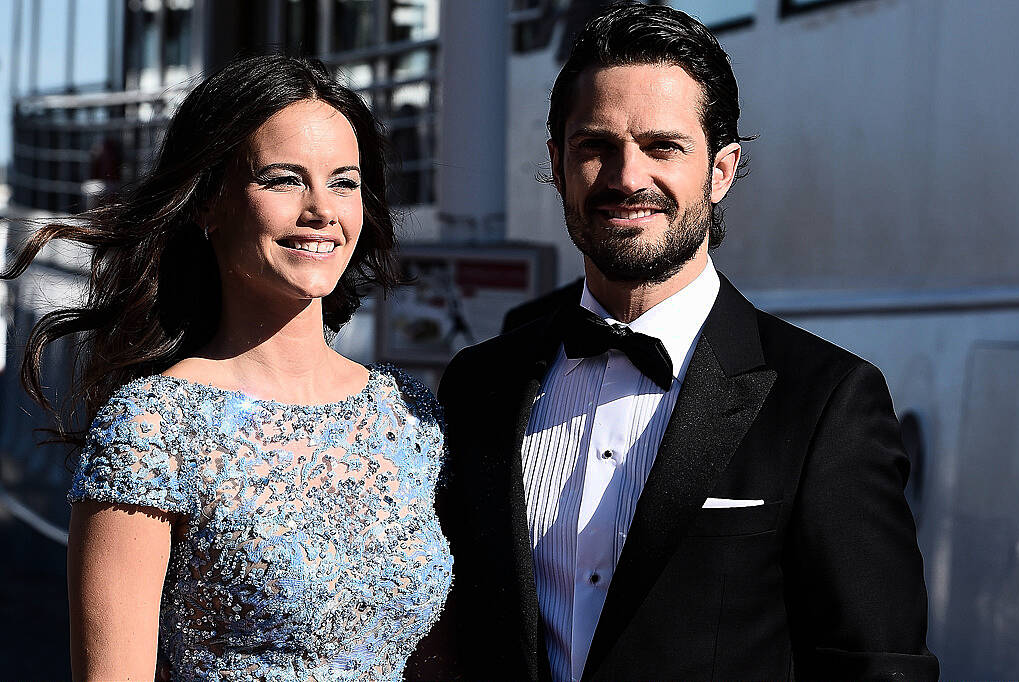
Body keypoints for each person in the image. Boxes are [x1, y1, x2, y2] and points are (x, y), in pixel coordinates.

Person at [436, 4, 938, 680]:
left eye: (661, 146)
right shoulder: (479, 385)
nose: (626, 177)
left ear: (722, 169)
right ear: (557, 164)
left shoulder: (825, 403)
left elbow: (878, 666)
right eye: (595, 147)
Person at [3, 55, 452, 681]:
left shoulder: (408, 414)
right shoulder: (152, 430)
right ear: (208, 205)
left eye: (344, 181)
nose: (322, 209)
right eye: (283, 179)